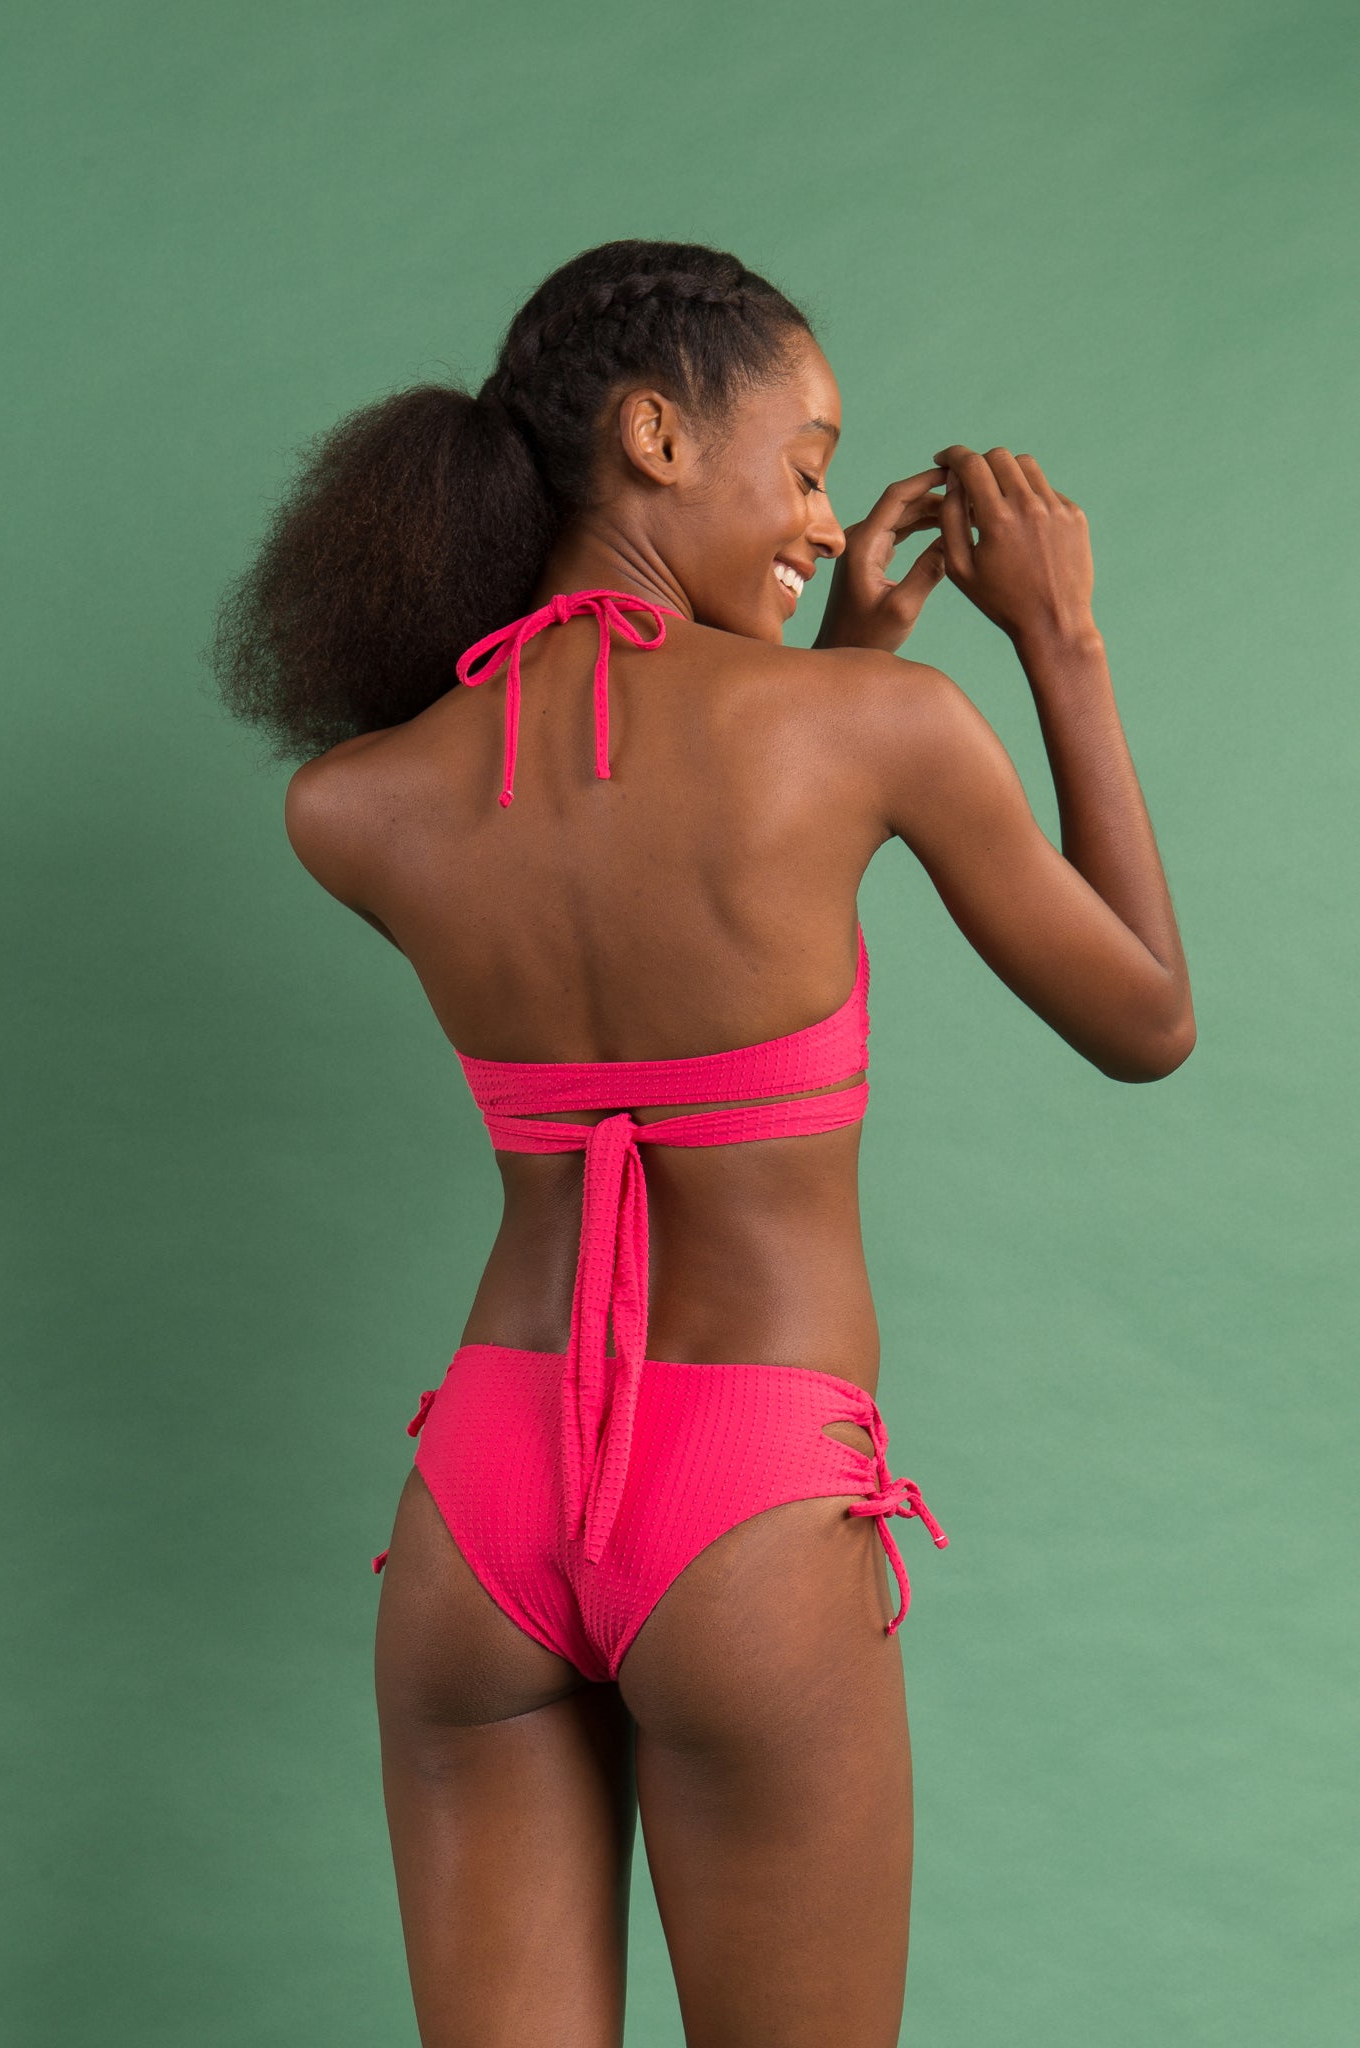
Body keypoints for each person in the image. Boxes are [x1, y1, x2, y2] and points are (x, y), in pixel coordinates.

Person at [212, 237, 1195, 2048]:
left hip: (482, 1507)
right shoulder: (876, 731)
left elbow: (628, 822)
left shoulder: (355, 806)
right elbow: (1144, 1019)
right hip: (745, 1500)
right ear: (657, 436)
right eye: (807, 464)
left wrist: (829, 665)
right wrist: (1055, 638)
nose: (825, 518)